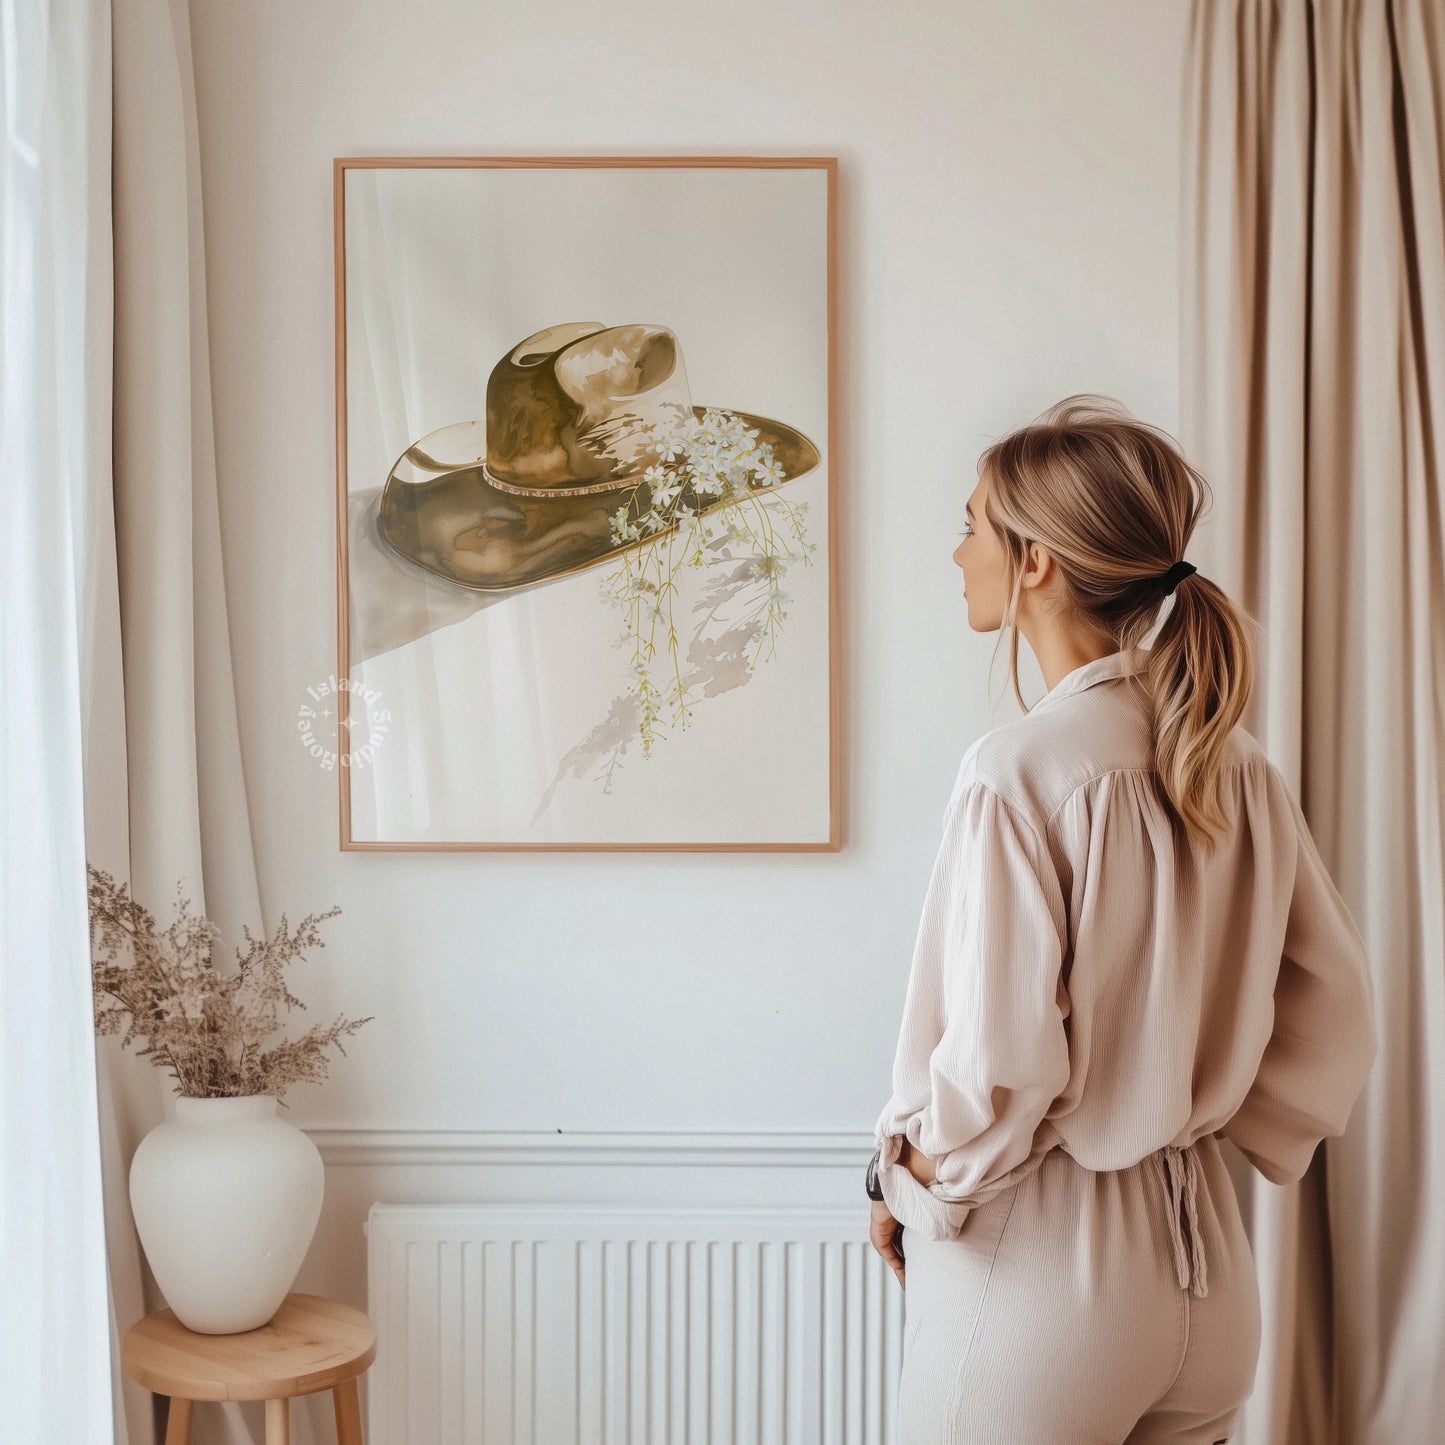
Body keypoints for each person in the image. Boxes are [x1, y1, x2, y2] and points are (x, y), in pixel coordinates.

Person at [865, 397, 1377, 1444]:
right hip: (1205, 1269)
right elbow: (1331, 1015)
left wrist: (907, 1178)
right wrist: (1197, 1110)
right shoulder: (1234, 765)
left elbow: (1000, 1062)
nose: (958, 552)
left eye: (970, 525)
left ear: (1037, 561)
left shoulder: (1019, 767)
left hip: (1041, 1273)